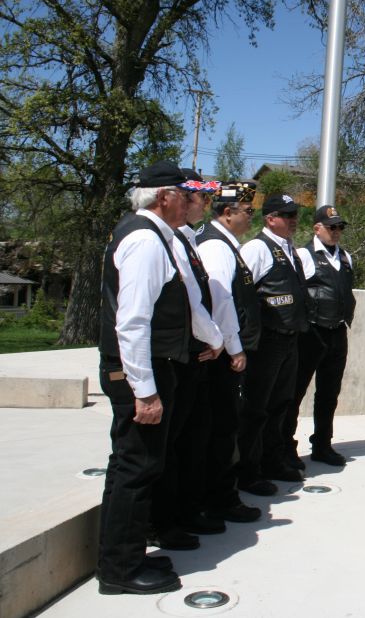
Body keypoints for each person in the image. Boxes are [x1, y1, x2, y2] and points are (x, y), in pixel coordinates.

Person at [96, 161, 209, 595]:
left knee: (134, 465)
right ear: (164, 197)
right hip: (140, 371)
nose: (193, 201)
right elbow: (133, 322)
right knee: (137, 468)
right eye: (187, 194)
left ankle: (124, 555)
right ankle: (119, 570)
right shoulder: (145, 240)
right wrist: (144, 391)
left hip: (149, 366)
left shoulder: (154, 235)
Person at [147, 169, 226, 550]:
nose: (204, 204)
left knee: (190, 440)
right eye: (198, 196)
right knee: (173, 444)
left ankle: (181, 513)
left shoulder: (187, 239)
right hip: (178, 355)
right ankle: (163, 522)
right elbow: (191, 303)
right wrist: (218, 339)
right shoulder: (167, 241)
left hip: (193, 354)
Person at [236, 194, 312, 495]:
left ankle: (272, 461)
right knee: (256, 408)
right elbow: (241, 294)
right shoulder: (257, 249)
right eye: (287, 215)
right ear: (270, 219)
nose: (294, 220)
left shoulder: (289, 249)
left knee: (280, 405)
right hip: (267, 342)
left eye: (295, 214)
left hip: (290, 339)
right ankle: (248, 471)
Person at [195, 181, 261, 523]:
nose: (251, 217)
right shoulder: (216, 247)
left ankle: (220, 493)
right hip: (221, 355)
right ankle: (219, 498)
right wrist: (235, 349)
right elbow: (221, 301)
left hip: (225, 349)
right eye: (247, 211)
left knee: (225, 425)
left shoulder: (226, 244)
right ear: (226, 213)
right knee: (222, 428)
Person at [289, 205, 357, 467]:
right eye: (331, 227)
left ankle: (322, 444)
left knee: (329, 393)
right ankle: (286, 446)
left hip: (338, 332)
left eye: (340, 227)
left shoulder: (346, 257)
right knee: (295, 392)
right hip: (312, 333)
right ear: (317, 228)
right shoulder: (303, 255)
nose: (336, 231)